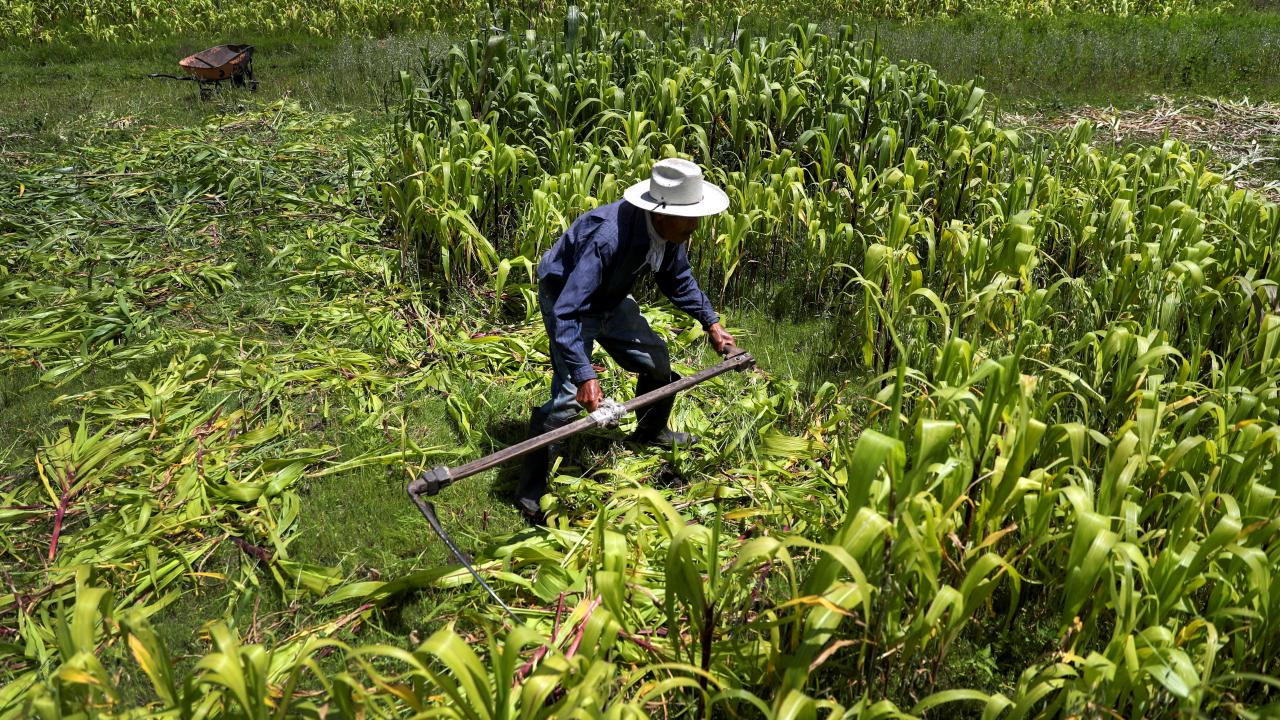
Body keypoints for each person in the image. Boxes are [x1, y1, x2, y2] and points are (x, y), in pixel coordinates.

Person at [515, 158, 736, 518]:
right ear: (662, 213)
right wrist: (585, 374)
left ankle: (650, 432)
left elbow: (677, 278)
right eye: (690, 216)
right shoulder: (608, 238)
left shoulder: (668, 232)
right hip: (568, 298)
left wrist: (710, 322)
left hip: (611, 298)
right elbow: (569, 310)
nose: (696, 225)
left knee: (657, 362)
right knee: (569, 399)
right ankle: (529, 490)